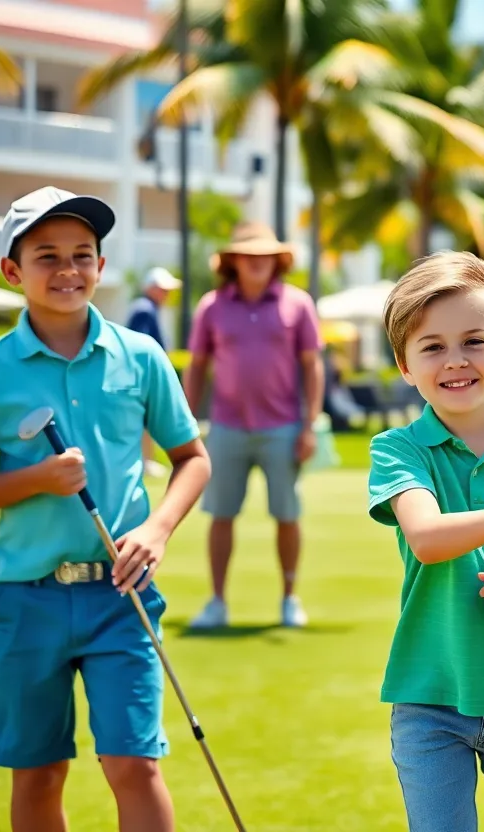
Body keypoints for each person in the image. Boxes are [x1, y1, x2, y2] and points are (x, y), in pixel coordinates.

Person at [0, 186, 211, 832]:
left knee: (133, 764)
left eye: (82, 255)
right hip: (27, 597)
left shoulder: (140, 356)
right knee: (38, 770)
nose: (68, 270)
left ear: (102, 266)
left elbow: (192, 459)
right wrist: (37, 477)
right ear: (13, 270)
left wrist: (157, 527)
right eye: (48, 256)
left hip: (123, 596)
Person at [367, 252, 484, 832]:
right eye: (432, 347)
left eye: (474, 341)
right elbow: (424, 537)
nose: (455, 361)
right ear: (404, 364)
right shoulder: (399, 449)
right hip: (429, 698)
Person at [185, 221, 324, 629]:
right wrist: (185, 421)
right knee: (221, 514)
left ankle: (289, 598)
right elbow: (196, 367)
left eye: (265, 256)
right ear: (234, 261)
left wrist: (310, 425)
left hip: (283, 427)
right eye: (249, 255)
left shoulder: (298, 305)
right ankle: (216, 602)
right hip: (226, 427)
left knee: (286, 514)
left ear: (276, 261)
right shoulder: (211, 306)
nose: (257, 262)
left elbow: (312, 367)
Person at [126, 266, 183, 477]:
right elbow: (142, 345)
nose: (166, 294)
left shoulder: (148, 308)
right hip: (141, 375)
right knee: (142, 418)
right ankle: (144, 461)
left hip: (141, 374)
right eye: (162, 289)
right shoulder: (144, 309)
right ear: (151, 288)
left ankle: (146, 461)